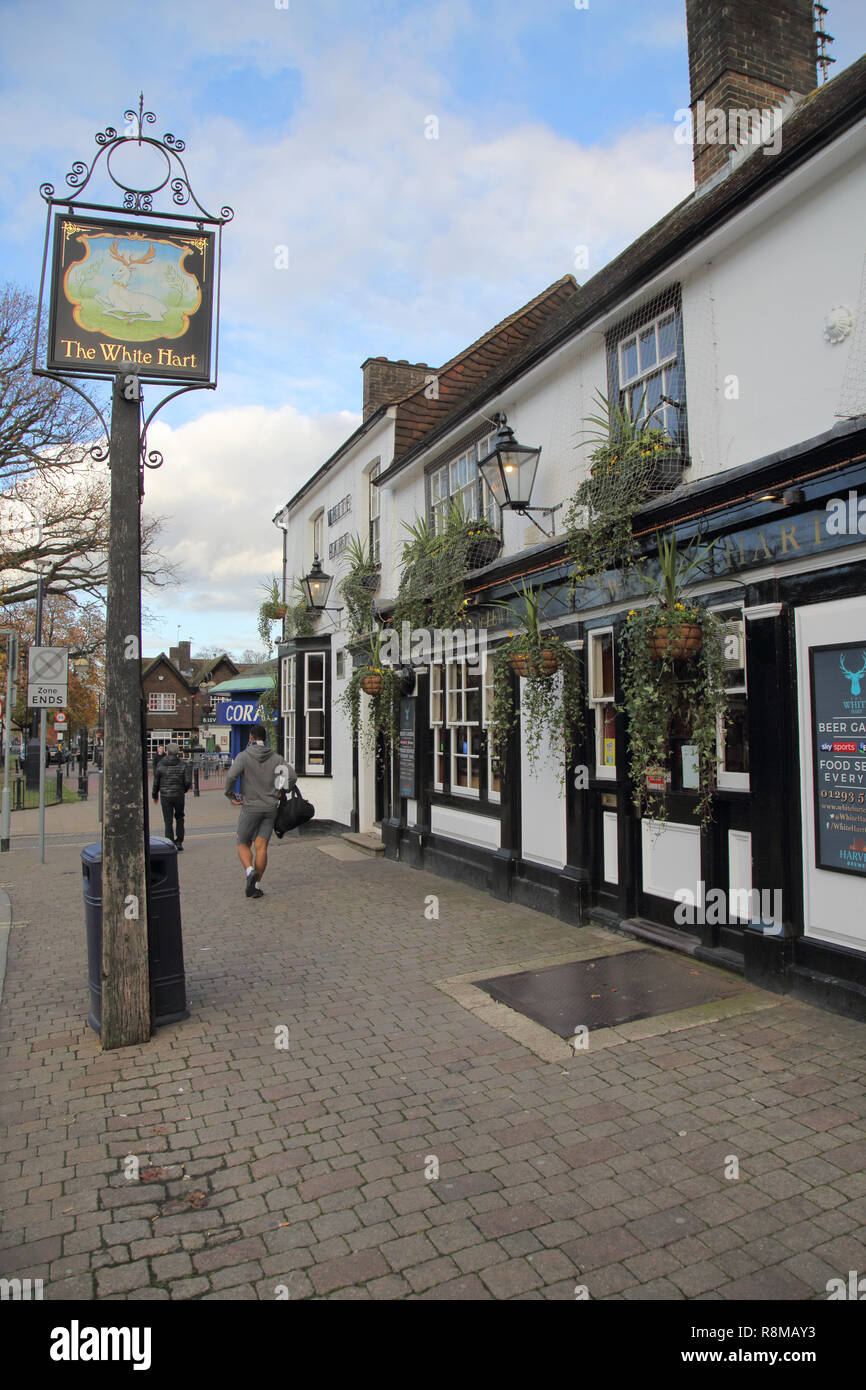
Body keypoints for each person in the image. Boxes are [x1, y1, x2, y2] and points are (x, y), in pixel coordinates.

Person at [224, 725, 295, 898]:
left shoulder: (244, 756)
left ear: (250, 737)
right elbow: (292, 776)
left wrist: (230, 794)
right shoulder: (276, 758)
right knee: (261, 847)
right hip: (270, 808)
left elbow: (231, 775)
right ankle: (255, 886)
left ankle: (249, 872)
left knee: (242, 843)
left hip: (250, 808)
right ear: (266, 738)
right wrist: (281, 791)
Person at [152, 742, 192, 851]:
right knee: (179, 818)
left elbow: (156, 782)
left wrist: (154, 795)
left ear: (167, 752)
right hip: (179, 795)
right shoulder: (183, 764)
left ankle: (169, 843)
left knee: (168, 820)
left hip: (165, 795)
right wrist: (183, 789)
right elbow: (188, 781)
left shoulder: (160, 764)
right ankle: (179, 842)